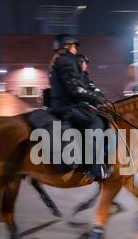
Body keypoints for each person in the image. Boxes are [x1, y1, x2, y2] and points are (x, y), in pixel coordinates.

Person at [48, 34, 111, 180]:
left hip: (66, 104)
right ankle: (94, 167)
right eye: (74, 46)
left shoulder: (58, 62)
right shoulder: (66, 62)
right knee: (95, 122)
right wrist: (96, 98)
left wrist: (99, 97)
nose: (76, 50)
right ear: (67, 46)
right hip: (66, 107)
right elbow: (75, 89)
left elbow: (83, 86)